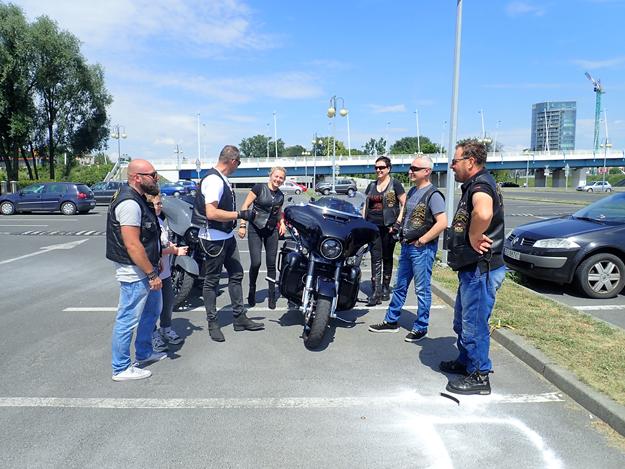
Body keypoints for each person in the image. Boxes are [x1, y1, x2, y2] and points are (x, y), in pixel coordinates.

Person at [442, 140, 506, 396]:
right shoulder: (474, 184)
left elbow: (484, 212)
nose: (451, 166)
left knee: (474, 324)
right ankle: (466, 362)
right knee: (462, 321)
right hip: (471, 269)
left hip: (482, 268)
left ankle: (480, 375)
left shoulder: (480, 185)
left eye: (455, 161)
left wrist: (473, 236)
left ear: (470, 161)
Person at [368, 155, 447, 342]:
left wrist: (422, 240)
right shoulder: (412, 191)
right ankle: (391, 321)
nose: (410, 171)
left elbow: (442, 222)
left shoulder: (433, 195)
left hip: (422, 250)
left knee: (422, 290)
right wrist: (398, 226)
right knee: (400, 286)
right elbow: (405, 212)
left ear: (427, 172)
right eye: (410, 168)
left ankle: (421, 327)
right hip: (406, 246)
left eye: (415, 168)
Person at [191, 145, 262, 343]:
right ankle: (213, 323)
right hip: (213, 239)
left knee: (236, 274)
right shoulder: (214, 180)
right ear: (232, 161)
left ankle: (239, 318)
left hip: (226, 236)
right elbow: (211, 213)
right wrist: (241, 215)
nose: (238, 167)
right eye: (238, 163)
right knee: (211, 281)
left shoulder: (220, 178)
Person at [107, 159, 166, 381]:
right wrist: (151, 273)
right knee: (128, 318)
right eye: (152, 174)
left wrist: (156, 261)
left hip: (146, 268)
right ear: (136, 178)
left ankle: (144, 352)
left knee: (151, 312)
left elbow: (147, 236)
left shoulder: (139, 198)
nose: (156, 178)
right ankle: (121, 368)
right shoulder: (130, 203)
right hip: (135, 272)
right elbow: (132, 244)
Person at [238, 167, 287, 310]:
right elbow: (245, 205)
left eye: (281, 178)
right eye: (276, 176)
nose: (278, 180)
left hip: (271, 231)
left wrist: (282, 223)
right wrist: (242, 225)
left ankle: (272, 295)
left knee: (271, 264)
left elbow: (278, 212)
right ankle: (252, 289)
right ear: (270, 176)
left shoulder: (280, 195)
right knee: (256, 263)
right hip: (255, 228)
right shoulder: (259, 188)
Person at [146, 193, 188, 352]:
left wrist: (171, 245)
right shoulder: (148, 223)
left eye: (160, 203)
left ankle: (166, 329)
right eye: (157, 204)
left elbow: (163, 242)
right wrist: (174, 250)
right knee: (152, 307)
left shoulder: (160, 221)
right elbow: (152, 249)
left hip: (165, 271)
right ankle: (152, 334)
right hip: (153, 272)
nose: (160, 206)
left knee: (168, 302)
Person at [362, 156, 406, 305]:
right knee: (375, 257)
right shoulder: (371, 185)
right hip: (373, 227)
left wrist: (398, 223)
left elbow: (405, 204)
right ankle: (376, 291)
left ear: (388, 169)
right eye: (376, 167)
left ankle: (386, 288)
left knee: (387, 257)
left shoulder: (395, 184)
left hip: (389, 227)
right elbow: (365, 205)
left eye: (381, 167)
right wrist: (363, 223)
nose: (378, 170)